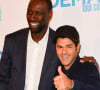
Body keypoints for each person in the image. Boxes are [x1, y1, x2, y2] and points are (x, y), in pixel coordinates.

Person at [0, 0, 98, 90]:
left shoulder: (58, 42)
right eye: (30, 12)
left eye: (38, 13)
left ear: (49, 15)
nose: (32, 17)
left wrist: (89, 63)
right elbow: (2, 79)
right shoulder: (12, 40)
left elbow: (72, 63)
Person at [53, 25, 100, 90]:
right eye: (60, 47)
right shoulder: (54, 70)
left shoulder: (89, 68)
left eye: (69, 47)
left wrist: (72, 85)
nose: (64, 52)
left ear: (77, 48)